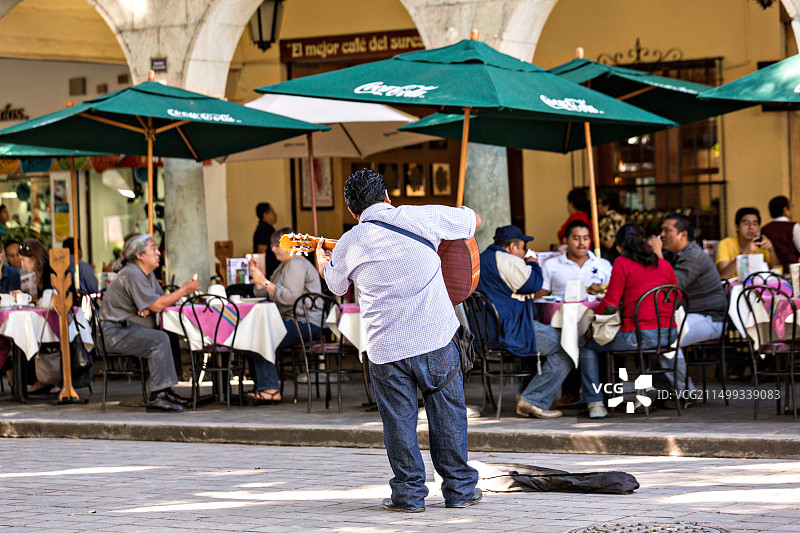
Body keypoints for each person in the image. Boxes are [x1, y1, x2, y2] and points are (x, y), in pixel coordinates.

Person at [315, 169, 482, 512]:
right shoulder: (420, 216)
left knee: (398, 421)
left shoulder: (349, 241)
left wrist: (321, 261)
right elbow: (473, 219)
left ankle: (408, 496)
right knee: (448, 414)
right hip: (434, 337)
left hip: (386, 349)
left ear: (352, 212)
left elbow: (335, 285)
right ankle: (460, 491)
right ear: (387, 197)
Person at [477, 224, 591, 419]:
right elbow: (532, 284)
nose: (523, 252)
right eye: (522, 248)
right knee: (568, 346)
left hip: (487, 330)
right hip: (510, 329)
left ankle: (525, 395)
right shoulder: (506, 259)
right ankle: (533, 400)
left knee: (547, 342)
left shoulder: (482, 258)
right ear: (513, 247)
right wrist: (533, 262)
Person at [580, 224, 679, 419]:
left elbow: (610, 304)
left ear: (619, 247)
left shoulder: (622, 263)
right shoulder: (663, 264)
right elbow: (677, 299)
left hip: (640, 335)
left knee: (587, 345)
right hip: (669, 334)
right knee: (641, 342)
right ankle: (645, 390)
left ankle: (595, 402)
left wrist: (594, 320)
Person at [99, 234, 199, 412]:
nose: (158, 253)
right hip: (114, 333)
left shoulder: (148, 274)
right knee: (158, 340)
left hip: (130, 328)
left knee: (169, 336)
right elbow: (158, 304)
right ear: (139, 255)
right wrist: (183, 290)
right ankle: (157, 396)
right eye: (153, 249)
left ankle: (166, 389)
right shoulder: (132, 273)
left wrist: (151, 306)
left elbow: (160, 301)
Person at [648, 213, 727, 393]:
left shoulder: (693, 255)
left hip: (709, 318)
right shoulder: (672, 254)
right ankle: (665, 391)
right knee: (652, 334)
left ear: (683, 235)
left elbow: (673, 285)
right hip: (687, 315)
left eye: (667, 230)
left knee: (665, 337)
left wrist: (658, 254)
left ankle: (685, 392)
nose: (661, 235)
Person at [245, 227, 323, 404]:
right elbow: (264, 294)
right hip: (292, 321)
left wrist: (264, 282)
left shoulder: (297, 264)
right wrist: (259, 279)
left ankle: (270, 389)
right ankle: (263, 387)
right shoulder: (284, 266)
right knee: (253, 334)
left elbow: (290, 298)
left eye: (277, 245)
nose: (273, 249)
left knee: (260, 336)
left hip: (306, 323)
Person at [537, 220, 612, 299]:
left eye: (586, 238)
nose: (581, 243)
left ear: (590, 240)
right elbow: (540, 298)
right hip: (562, 310)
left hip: (596, 311)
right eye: (576, 238)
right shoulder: (550, 265)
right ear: (565, 240)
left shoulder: (604, 265)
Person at [716, 207, 779, 279]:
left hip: (758, 286)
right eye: (746, 224)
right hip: (734, 288)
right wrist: (745, 252)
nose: (751, 227)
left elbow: (777, 271)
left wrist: (771, 250)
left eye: (755, 224)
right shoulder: (725, 243)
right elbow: (724, 275)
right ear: (737, 227)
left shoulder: (762, 243)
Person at [760, 195, 800, 271]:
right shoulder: (793, 227)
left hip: (773, 271)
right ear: (785, 209)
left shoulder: (764, 229)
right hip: (793, 270)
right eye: (791, 207)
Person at [597, 190, 626, 263]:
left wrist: (596, 239)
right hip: (621, 255)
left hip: (608, 257)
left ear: (606, 206)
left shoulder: (605, 220)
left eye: (599, 203)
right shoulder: (620, 217)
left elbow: (608, 244)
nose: (597, 206)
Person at [253, 202, 279, 277]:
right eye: (272, 212)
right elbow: (261, 250)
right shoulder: (264, 229)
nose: (275, 215)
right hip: (268, 272)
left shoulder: (267, 228)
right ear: (265, 214)